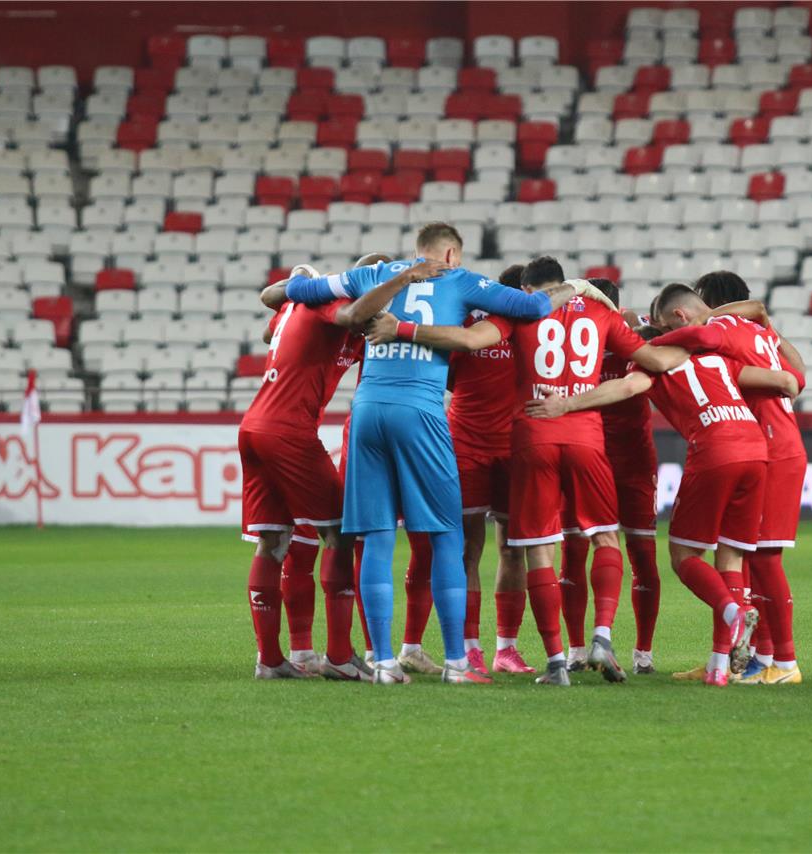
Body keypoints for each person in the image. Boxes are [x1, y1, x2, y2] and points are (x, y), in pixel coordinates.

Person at [282, 224, 591, 685]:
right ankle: (457, 663)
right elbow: (530, 306)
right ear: (450, 252)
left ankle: (383, 663)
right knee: (447, 536)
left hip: (366, 411)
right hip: (420, 412)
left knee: (379, 538)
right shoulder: (460, 280)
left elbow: (298, 290)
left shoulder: (376, 274)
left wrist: (291, 285)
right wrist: (576, 288)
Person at [366, 258, 687, 686]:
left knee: (535, 549)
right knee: (603, 537)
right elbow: (653, 360)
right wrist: (705, 339)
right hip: (582, 438)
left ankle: (553, 661)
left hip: (531, 437)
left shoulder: (516, 313)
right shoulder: (600, 311)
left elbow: (465, 340)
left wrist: (401, 330)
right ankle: (601, 637)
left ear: (526, 288)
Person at [525, 310, 799, 685]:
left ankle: (734, 611)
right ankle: (719, 669)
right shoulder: (719, 360)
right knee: (730, 557)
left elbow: (623, 388)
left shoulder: (653, 366)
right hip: (757, 450)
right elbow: (784, 379)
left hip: (715, 449)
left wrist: (567, 405)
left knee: (685, 557)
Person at [241, 260, 440, 680]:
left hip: (254, 426)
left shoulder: (305, 314)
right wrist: (402, 278)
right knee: (340, 533)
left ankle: (271, 661)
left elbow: (272, 325)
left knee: (274, 541)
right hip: (290, 430)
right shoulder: (327, 304)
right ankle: (339, 656)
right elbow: (346, 313)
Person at [652, 277, 808, 685]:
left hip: (767, 445)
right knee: (743, 554)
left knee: (761, 557)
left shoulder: (718, 333)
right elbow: (797, 378)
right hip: (773, 443)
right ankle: (753, 657)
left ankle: (783, 662)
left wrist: (644, 339)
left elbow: (698, 337)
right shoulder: (758, 334)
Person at [557, 279, 663, 675]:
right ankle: (629, 654)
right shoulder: (619, 337)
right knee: (633, 555)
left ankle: (589, 651)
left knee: (583, 553)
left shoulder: (626, 337)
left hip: (601, 457)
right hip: (604, 457)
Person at [445, 263, 536, 675]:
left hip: (513, 446)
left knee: (509, 547)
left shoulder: (531, 329)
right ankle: (470, 647)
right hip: (466, 444)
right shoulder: (466, 322)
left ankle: (505, 648)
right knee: (469, 548)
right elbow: (448, 373)